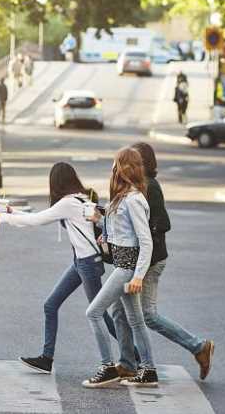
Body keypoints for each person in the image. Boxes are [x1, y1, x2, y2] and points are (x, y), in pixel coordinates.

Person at [0, 163, 136, 376]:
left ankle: (133, 358)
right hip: (81, 262)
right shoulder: (80, 198)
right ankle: (46, 359)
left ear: (56, 183)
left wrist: (3, 217)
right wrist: (11, 211)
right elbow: (43, 215)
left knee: (99, 315)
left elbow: (36, 220)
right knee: (51, 305)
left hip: (88, 264)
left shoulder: (68, 203)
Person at [111, 143, 215, 381]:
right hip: (135, 260)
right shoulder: (133, 187)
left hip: (150, 261)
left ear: (142, 162)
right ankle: (127, 363)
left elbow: (163, 223)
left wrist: (140, 232)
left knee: (147, 315)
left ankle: (199, 347)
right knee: (118, 311)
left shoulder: (151, 186)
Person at [83, 147, 157, 388]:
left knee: (93, 312)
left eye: (116, 164)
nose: (112, 168)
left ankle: (107, 367)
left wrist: (138, 276)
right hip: (121, 264)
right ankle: (148, 370)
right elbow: (122, 228)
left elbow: (145, 240)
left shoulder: (134, 199)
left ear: (125, 167)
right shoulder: (122, 196)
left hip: (126, 268)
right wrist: (103, 228)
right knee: (135, 321)